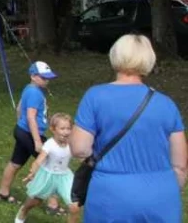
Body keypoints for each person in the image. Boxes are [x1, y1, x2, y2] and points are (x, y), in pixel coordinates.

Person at [69, 34, 187, 222]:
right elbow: (180, 166)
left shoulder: (95, 97)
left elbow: (79, 148)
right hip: (161, 195)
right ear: (149, 59)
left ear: (115, 56)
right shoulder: (167, 104)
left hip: (111, 195)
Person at [0, 61, 57, 205]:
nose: (47, 81)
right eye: (44, 78)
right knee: (51, 164)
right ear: (33, 76)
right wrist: (36, 141)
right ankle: (52, 205)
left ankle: (3, 194)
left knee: (15, 163)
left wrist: (20, 126)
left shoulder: (29, 89)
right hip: (31, 134)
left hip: (23, 131)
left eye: (48, 78)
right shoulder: (35, 93)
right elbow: (30, 116)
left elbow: (19, 108)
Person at [15, 113, 79, 223]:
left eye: (68, 128)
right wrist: (32, 173)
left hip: (64, 177)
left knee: (75, 207)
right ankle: (23, 211)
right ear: (53, 129)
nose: (66, 132)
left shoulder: (71, 143)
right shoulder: (50, 144)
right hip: (47, 176)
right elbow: (38, 161)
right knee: (34, 202)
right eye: (62, 128)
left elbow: (81, 154)